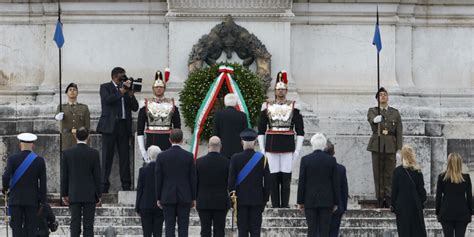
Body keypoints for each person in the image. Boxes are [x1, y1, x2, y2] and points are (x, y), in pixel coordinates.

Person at [257, 70, 304, 208]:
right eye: (278, 89)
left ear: (287, 90)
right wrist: (262, 148)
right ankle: (275, 205)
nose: (281, 92)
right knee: (273, 177)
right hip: (271, 146)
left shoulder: (294, 106)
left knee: (286, 177)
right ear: (275, 91)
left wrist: (297, 150)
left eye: (283, 89)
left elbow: (300, 131)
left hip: (287, 145)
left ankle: (285, 205)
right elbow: (261, 130)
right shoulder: (267, 106)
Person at [97, 67, 139, 193]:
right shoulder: (105, 87)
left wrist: (130, 94)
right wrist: (121, 91)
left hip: (123, 126)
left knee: (125, 157)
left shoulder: (126, 90)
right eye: (122, 76)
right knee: (107, 158)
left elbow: (135, 107)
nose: (123, 79)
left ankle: (126, 185)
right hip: (109, 126)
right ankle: (103, 186)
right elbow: (107, 100)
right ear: (114, 76)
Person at [2, 133, 47, 237]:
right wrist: (42, 202)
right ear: (33, 145)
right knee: (31, 229)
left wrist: (5, 190)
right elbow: (43, 184)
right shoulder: (39, 161)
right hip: (32, 201)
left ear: (19, 145)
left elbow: (5, 177)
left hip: (15, 200)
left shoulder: (12, 159)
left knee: (16, 229)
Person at [228, 128, 271, 237]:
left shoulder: (235, 158)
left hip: (240, 201)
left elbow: (231, 181)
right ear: (255, 142)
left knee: (242, 232)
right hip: (257, 201)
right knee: (256, 231)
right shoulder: (262, 159)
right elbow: (268, 182)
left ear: (242, 142)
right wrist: (264, 199)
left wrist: (232, 201)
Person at [61, 127, 102, 237]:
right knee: (88, 225)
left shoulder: (67, 153)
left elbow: (64, 175)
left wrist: (64, 194)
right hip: (89, 194)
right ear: (88, 137)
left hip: (74, 193)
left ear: (75, 136)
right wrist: (99, 194)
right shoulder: (94, 153)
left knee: (75, 223)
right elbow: (97, 176)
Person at [155, 129, 196, 237]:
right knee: (183, 228)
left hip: (167, 196)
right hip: (185, 196)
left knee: (169, 228)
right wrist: (193, 197)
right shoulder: (188, 156)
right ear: (182, 140)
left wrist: (158, 197)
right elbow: (193, 178)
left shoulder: (162, 156)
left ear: (169, 140)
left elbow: (158, 178)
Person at [297, 133, 340, 237]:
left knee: (311, 229)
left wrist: (300, 201)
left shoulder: (305, 160)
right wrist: (336, 202)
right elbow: (335, 183)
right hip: (327, 200)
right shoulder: (331, 160)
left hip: (310, 200)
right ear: (324, 145)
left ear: (312, 144)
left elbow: (302, 182)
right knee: (325, 231)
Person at [367, 87, 403, 208]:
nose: (383, 96)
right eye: (380, 95)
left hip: (390, 146)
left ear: (388, 97)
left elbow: (399, 132)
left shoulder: (395, 113)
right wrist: (375, 120)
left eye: (385, 94)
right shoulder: (373, 110)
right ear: (377, 98)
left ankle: (388, 197)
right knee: (378, 173)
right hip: (377, 145)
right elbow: (371, 119)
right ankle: (380, 197)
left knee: (390, 173)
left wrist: (399, 149)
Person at [137, 69, 181, 161]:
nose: (158, 89)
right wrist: (143, 151)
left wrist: (176, 146)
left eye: (161, 87)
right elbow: (140, 130)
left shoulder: (172, 104)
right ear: (153, 88)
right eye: (156, 87)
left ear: (164, 88)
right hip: (152, 139)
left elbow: (177, 127)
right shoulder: (145, 104)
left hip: (168, 140)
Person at [196, 136, 230, 237]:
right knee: (219, 231)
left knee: (205, 230)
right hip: (221, 202)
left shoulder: (199, 162)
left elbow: (195, 182)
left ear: (208, 146)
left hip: (203, 201)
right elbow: (230, 182)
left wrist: (195, 197)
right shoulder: (227, 162)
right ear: (220, 146)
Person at [391, 144, 427, 237]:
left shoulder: (397, 171)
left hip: (401, 206)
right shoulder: (418, 171)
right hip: (415, 206)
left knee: (404, 232)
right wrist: (421, 203)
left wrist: (393, 205)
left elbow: (394, 191)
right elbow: (422, 192)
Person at [436, 153, 472, 237]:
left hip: (446, 212)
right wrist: (470, 212)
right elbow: (469, 197)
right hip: (462, 213)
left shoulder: (441, 177)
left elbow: (438, 197)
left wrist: (438, 212)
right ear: (460, 163)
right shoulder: (466, 178)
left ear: (448, 163)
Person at [136, 145, 163, 237]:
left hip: (145, 205)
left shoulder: (143, 170)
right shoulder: (162, 171)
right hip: (159, 205)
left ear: (149, 156)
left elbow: (140, 189)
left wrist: (137, 206)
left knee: (146, 233)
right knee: (158, 233)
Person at [55, 83, 91, 150]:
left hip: (80, 139)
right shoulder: (61, 107)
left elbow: (87, 126)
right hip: (66, 139)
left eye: (74, 90)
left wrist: (86, 140)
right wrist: (58, 116)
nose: (72, 91)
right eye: (70, 90)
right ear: (67, 93)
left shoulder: (84, 108)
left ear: (77, 93)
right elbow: (57, 117)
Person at [213, 93, 248, 158]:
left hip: (223, 150)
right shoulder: (242, 115)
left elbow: (215, 134)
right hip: (238, 151)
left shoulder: (218, 115)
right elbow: (245, 135)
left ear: (225, 102)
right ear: (236, 103)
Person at [324, 141, 348, 237]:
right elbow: (344, 190)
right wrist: (343, 207)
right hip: (337, 207)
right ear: (333, 152)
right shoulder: (341, 168)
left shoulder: (317, 168)